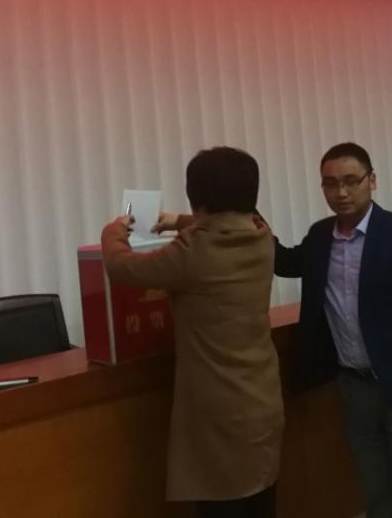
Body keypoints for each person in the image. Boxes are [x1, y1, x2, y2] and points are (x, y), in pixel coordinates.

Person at [271, 142, 392, 518]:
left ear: (372, 180)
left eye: (351, 181)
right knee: (374, 492)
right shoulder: (320, 236)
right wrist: (245, 214)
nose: (341, 192)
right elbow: (286, 262)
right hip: (354, 386)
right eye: (330, 183)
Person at [101, 147, 283, 518]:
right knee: (259, 499)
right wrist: (179, 220)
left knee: (224, 503)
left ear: (198, 198)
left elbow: (122, 267)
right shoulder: (262, 236)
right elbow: (226, 223)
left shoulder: (194, 251)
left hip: (219, 409)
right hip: (262, 398)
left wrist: (114, 230)